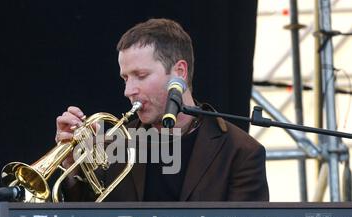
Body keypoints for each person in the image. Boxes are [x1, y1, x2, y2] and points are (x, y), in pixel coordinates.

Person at [55, 18, 269, 202]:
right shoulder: (113, 145)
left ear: (179, 72)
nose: (128, 91)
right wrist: (72, 167)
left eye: (141, 75)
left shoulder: (241, 151)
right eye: (125, 78)